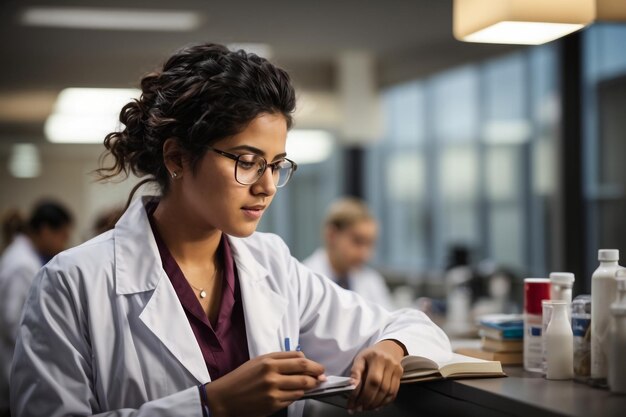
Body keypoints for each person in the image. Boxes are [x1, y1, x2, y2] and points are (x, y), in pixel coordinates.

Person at [10, 43, 451, 417]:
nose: (267, 186)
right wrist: (209, 405)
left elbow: (411, 324)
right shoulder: (71, 283)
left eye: (277, 165)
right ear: (178, 158)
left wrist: (390, 348)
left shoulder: (271, 264)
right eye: (246, 161)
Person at [0, 200, 73, 416]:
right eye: (63, 235)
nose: (64, 242)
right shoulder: (22, 265)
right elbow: (13, 323)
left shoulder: (22, 256)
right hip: (11, 365)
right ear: (45, 230)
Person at [303, 197, 394, 310]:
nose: (365, 254)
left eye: (370, 244)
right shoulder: (305, 279)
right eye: (358, 241)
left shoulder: (371, 281)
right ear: (331, 235)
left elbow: (389, 323)